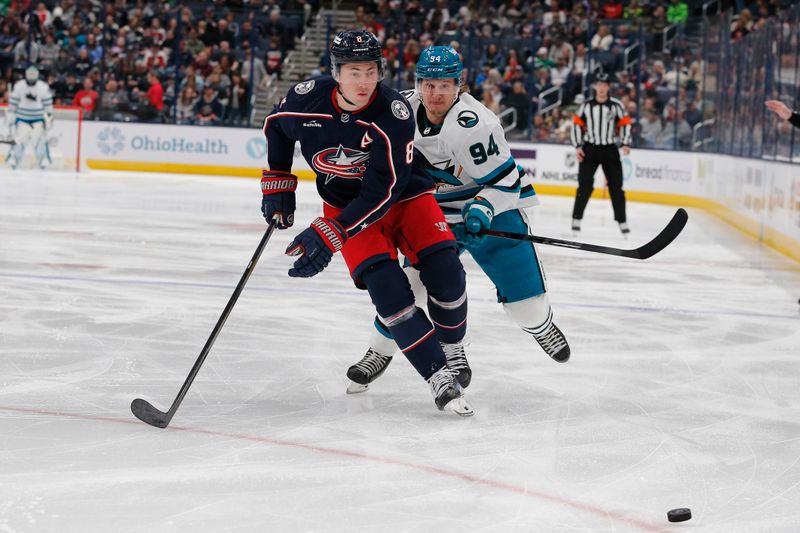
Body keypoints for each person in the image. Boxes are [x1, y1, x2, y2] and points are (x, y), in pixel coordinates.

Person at [260, 31, 472, 416]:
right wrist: (278, 183)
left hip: (404, 198)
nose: (363, 82)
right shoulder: (306, 98)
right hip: (345, 209)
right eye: (354, 72)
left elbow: (382, 191)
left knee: (447, 274)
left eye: (371, 71)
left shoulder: (393, 113)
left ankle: (452, 346)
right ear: (336, 72)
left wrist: (333, 231)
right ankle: (439, 376)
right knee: (388, 290)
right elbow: (276, 126)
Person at [347, 46, 571, 395]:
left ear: (459, 85)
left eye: (444, 85)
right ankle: (380, 350)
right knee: (409, 289)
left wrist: (482, 207)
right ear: (418, 83)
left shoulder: (476, 124)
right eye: (428, 84)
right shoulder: (401, 110)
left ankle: (540, 324)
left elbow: (506, 181)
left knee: (527, 306)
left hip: (494, 209)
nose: (436, 94)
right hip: (433, 211)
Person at [570, 72, 632, 235]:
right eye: (599, 84)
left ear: (608, 87)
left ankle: (622, 221)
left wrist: (625, 142)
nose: (602, 88)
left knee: (616, 187)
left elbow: (625, 123)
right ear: (595, 87)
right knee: (584, 185)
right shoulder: (586, 105)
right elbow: (576, 124)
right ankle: (576, 218)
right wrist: (578, 146)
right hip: (590, 149)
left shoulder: (616, 105)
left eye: (605, 85)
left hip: (610, 149)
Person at [6, 65, 54, 170]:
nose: (32, 76)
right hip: (22, 119)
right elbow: (13, 102)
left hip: (38, 120)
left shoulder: (43, 86)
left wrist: (49, 115)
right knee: (19, 141)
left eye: (34, 74)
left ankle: (43, 161)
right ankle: (14, 159)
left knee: (40, 142)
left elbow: (48, 103)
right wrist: (11, 113)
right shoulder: (19, 86)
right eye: (30, 74)